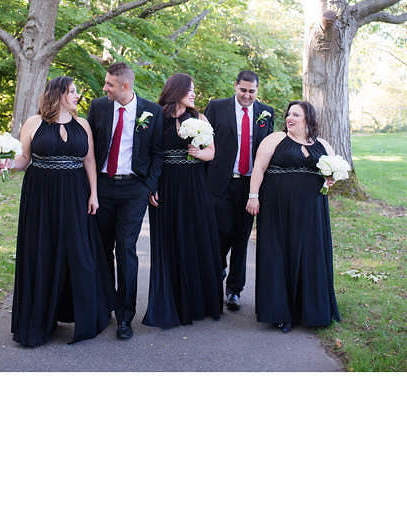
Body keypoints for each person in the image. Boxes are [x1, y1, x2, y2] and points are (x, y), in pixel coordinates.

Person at [0, 76, 109, 346]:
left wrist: (94, 194)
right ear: (59, 94)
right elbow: (24, 158)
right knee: (43, 252)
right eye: (72, 92)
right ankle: (39, 319)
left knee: (80, 254)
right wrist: (7, 164)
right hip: (41, 196)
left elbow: (90, 160)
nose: (76, 96)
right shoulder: (33, 123)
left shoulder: (83, 124)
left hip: (76, 194)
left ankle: (82, 315)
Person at [247, 100, 341, 331]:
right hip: (277, 210)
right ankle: (281, 312)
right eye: (289, 114)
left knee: (310, 256)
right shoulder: (275, 140)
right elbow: (258, 168)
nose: (290, 118)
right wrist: (253, 196)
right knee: (280, 255)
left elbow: (331, 176)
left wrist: (330, 181)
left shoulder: (323, 145)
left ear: (308, 118)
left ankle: (310, 310)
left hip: (312, 211)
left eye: (296, 115)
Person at [88, 61, 163, 340]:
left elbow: (158, 153)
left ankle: (125, 315)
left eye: (109, 84)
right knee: (102, 248)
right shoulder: (98, 107)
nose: (104, 88)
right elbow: (90, 148)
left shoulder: (152, 112)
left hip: (134, 189)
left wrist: (149, 187)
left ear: (125, 86)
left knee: (126, 248)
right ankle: (105, 303)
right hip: (103, 186)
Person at [142, 72, 223, 328]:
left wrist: (198, 153)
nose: (194, 93)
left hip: (194, 185)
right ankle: (169, 301)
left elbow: (211, 153)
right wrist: (151, 186)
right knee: (168, 240)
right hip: (165, 184)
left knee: (195, 237)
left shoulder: (199, 117)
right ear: (176, 90)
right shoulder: (157, 117)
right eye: (190, 89)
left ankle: (198, 301)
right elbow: (149, 153)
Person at [203, 70, 276, 311]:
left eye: (251, 91)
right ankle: (219, 267)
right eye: (242, 90)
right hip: (220, 182)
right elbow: (205, 142)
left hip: (250, 185)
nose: (246, 95)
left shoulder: (266, 113)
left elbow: (268, 151)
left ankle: (234, 289)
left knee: (242, 237)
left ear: (257, 90)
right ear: (235, 86)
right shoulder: (216, 108)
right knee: (221, 231)